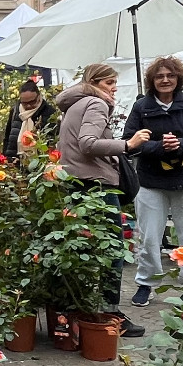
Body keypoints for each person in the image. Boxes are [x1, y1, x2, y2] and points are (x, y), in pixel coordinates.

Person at [55, 64, 151, 336]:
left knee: (82, 250)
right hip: (97, 185)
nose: (114, 88)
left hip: (75, 183)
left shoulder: (74, 104)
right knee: (113, 251)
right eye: (109, 82)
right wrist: (128, 145)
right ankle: (110, 313)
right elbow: (87, 143)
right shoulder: (96, 104)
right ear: (94, 82)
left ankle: (76, 310)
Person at [121, 58, 183, 307]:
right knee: (149, 236)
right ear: (152, 81)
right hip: (151, 181)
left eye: (170, 76)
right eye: (159, 76)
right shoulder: (142, 107)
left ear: (178, 79)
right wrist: (159, 148)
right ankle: (146, 283)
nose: (165, 80)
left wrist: (182, 144)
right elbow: (129, 141)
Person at [1, 79, 58, 159]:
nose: (28, 106)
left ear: (38, 97)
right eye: (24, 103)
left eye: (32, 102)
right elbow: (7, 137)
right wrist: (6, 158)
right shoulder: (15, 111)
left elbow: (52, 140)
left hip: (39, 162)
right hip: (14, 161)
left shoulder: (49, 112)